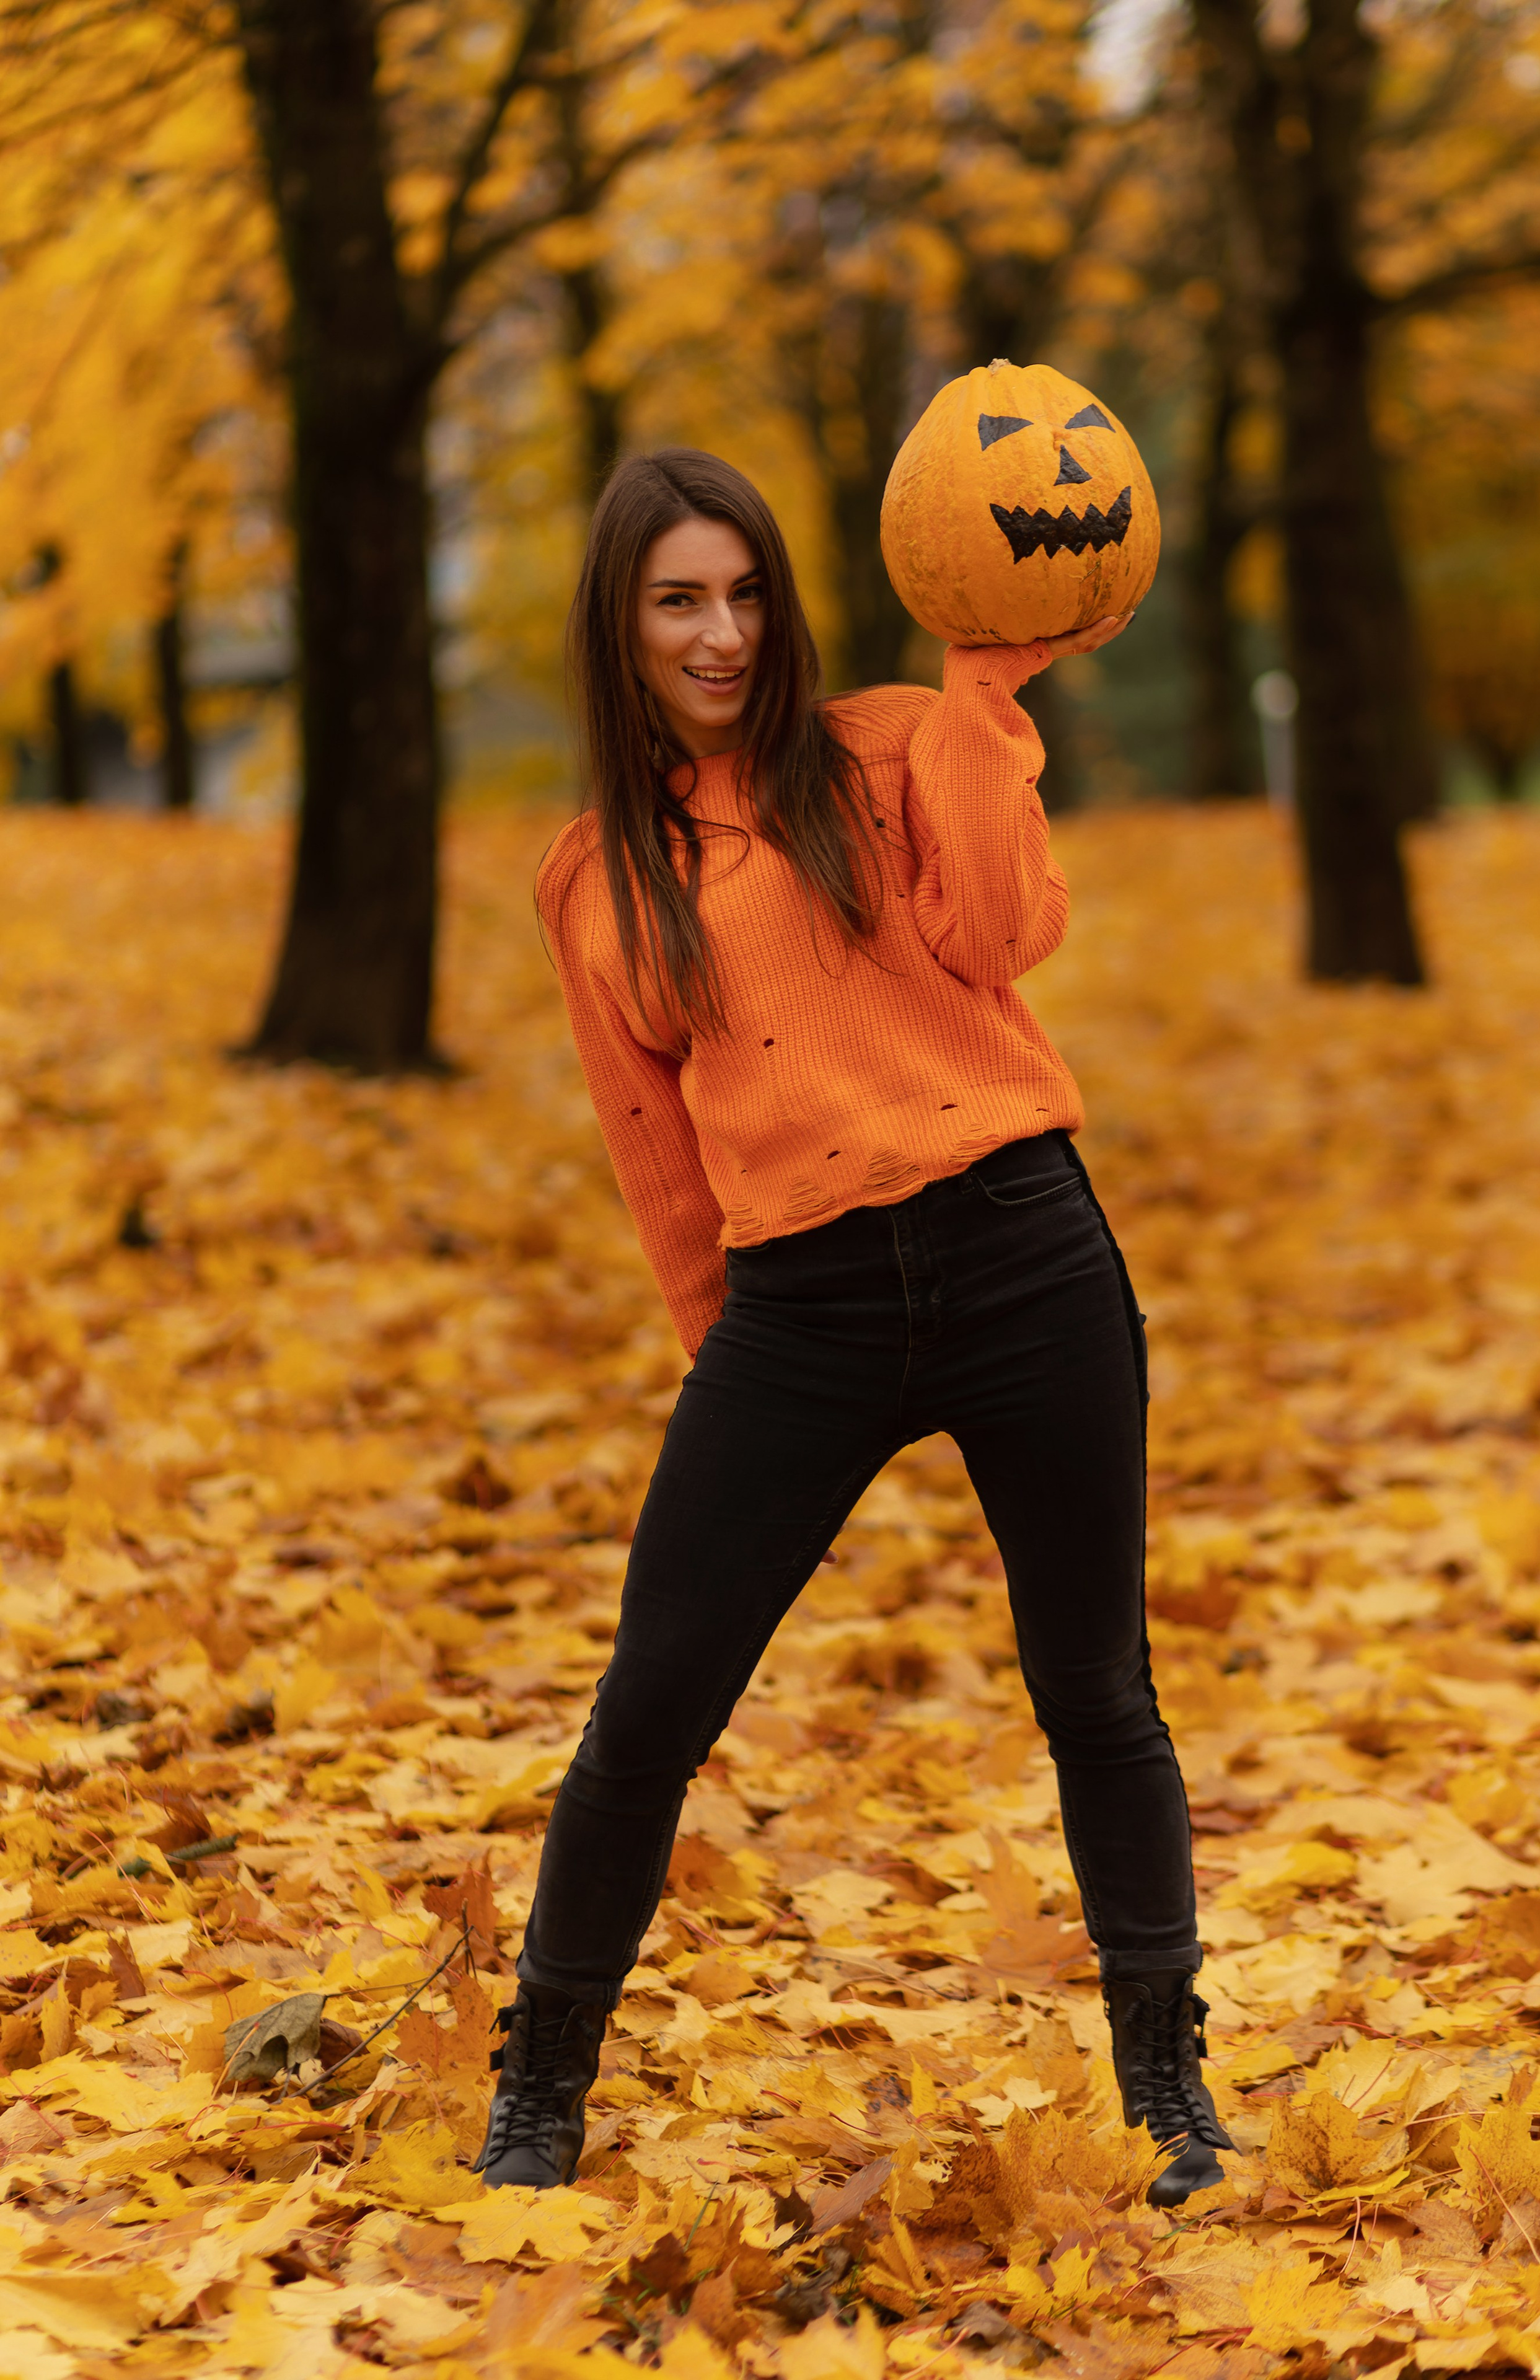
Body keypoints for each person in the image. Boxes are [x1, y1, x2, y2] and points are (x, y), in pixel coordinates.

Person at [476, 447, 1231, 2209]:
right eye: (680, 600)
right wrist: (726, 1370)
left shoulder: (891, 749)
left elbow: (1008, 929)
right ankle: (538, 2090)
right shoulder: (597, 876)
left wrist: (983, 699)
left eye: (744, 593)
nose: (722, 634)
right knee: (650, 1703)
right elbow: (657, 1157)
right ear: (622, 623)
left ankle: (1169, 2092)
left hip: (1022, 1253)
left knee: (1097, 1691)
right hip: (799, 1311)